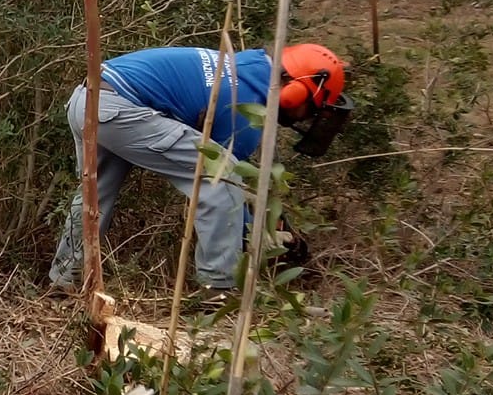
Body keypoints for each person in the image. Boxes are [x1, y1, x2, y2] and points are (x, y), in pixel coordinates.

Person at [47, 42, 350, 296]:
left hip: (88, 100)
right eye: (309, 108)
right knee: (223, 176)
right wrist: (267, 235)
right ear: (295, 90)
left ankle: (66, 281)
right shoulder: (246, 107)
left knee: (95, 196)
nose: (303, 117)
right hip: (117, 110)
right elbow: (228, 184)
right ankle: (218, 287)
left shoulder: (249, 67)